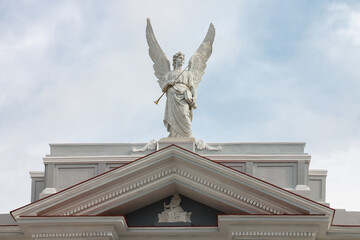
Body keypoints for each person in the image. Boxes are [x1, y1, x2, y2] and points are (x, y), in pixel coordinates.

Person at [161, 52, 197, 138]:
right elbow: (163, 89)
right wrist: (168, 82)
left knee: (184, 114)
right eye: (180, 58)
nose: (182, 60)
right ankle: (174, 136)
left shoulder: (188, 74)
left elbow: (192, 86)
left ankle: (188, 136)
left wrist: (194, 96)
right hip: (172, 98)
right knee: (172, 118)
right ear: (175, 60)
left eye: (183, 59)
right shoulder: (169, 74)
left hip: (183, 97)